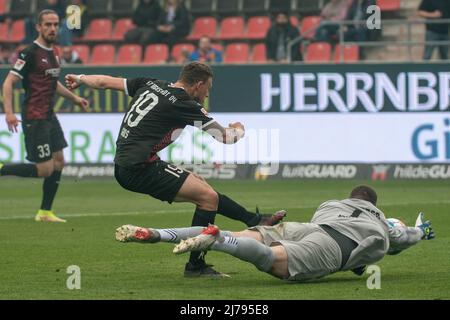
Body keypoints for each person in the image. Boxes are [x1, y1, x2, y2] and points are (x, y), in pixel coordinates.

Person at [64, 62, 286, 277]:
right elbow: (227, 137)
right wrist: (239, 128)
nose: (207, 95)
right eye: (207, 89)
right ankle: (195, 266)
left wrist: (80, 78)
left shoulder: (151, 83)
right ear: (198, 85)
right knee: (207, 198)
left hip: (131, 164)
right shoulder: (183, 103)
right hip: (139, 169)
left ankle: (254, 220)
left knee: (202, 188)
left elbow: (103, 82)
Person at [115, 186, 435, 282]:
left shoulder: (330, 202)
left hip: (309, 227)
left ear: (352, 197)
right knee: (272, 260)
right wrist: (419, 230)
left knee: (240, 233)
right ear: (374, 205)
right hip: (332, 244)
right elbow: (404, 237)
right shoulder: (381, 222)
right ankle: (219, 241)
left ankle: (157, 233)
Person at [1, 10, 89, 223]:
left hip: (49, 115)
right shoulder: (29, 52)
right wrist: (10, 113)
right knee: (45, 169)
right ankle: (2, 169)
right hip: (34, 117)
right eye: (47, 24)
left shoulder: (55, 52)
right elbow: (9, 82)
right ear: (39, 27)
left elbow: (53, 83)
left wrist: (75, 98)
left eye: (55, 24)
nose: (52, 28)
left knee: (59, 162)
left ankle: (45, 212)